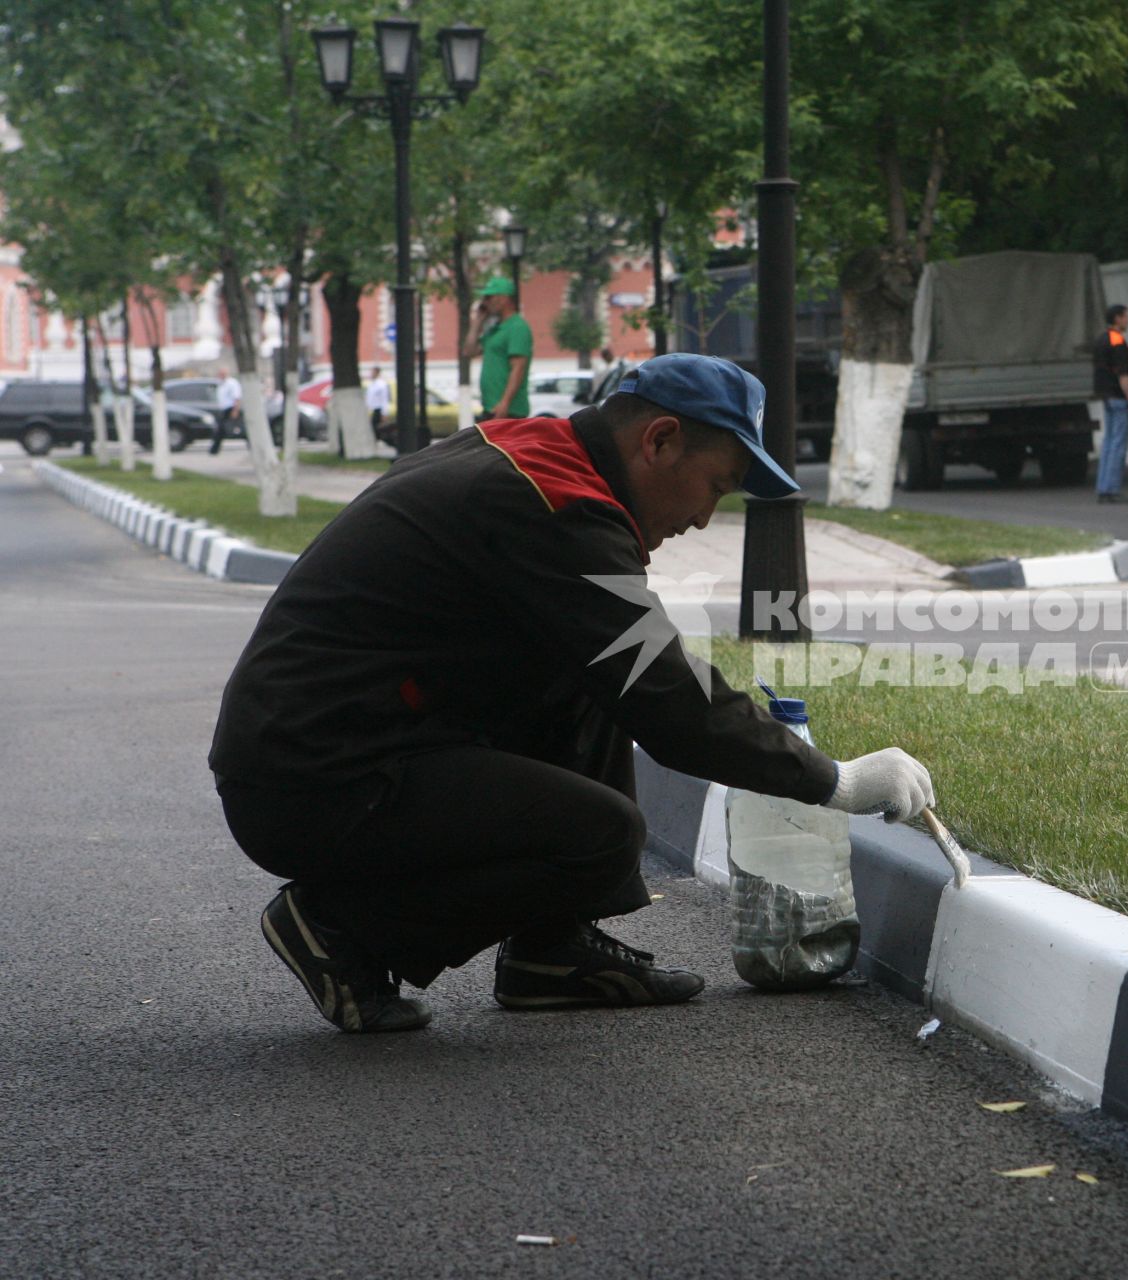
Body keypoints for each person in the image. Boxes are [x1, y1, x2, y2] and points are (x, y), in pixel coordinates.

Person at [209, 353, 937, 1034]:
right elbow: (669, 700)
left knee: (588, 675)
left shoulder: (521, 451)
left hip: (327, 742)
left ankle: (551, 954)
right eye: (715, 487)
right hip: (316, 777)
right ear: (660, 440)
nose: (704, 519)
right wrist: (835, 781)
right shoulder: (554, 505)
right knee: (601, 834)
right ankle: (341, 929)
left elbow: (628, 669)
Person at [1093, 303, 1128, 503]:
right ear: (1118, 318)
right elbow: (1123, 375)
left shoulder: (1102, 339)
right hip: (1120, 399)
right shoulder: (1117, 341)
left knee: (1108, 443)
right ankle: (1111, 489)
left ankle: (1103, 487)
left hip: (1107, 397)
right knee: (1118, 444)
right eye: (1125, 316)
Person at [465, 275, 532, 423]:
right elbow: (469, 351)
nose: (485, 302)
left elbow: (518, 368)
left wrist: (505, 403)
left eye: (489, 297)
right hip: (490, 408)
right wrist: (478, 321)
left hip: (509, 411)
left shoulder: (517, 327)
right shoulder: (494, 330)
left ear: (504, 298)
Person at [213, 367, 241, 456]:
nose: (220, 376)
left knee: (225, 428)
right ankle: (214, 449)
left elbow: (236, 397)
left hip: (230, 409)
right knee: (220, 429)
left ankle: (214, 449)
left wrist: (235, 410)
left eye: (222, 374)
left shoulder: (232, 383)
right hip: (223, 409)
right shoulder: (221, 384)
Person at [364, 365, 390, 435]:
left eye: (373, 372)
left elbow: (384, 399)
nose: (371, 374)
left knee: (376, 430)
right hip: (371, 410)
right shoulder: (371, 384)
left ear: (377, 373)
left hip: (378, 410)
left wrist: (384, 413)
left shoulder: (381, 385)